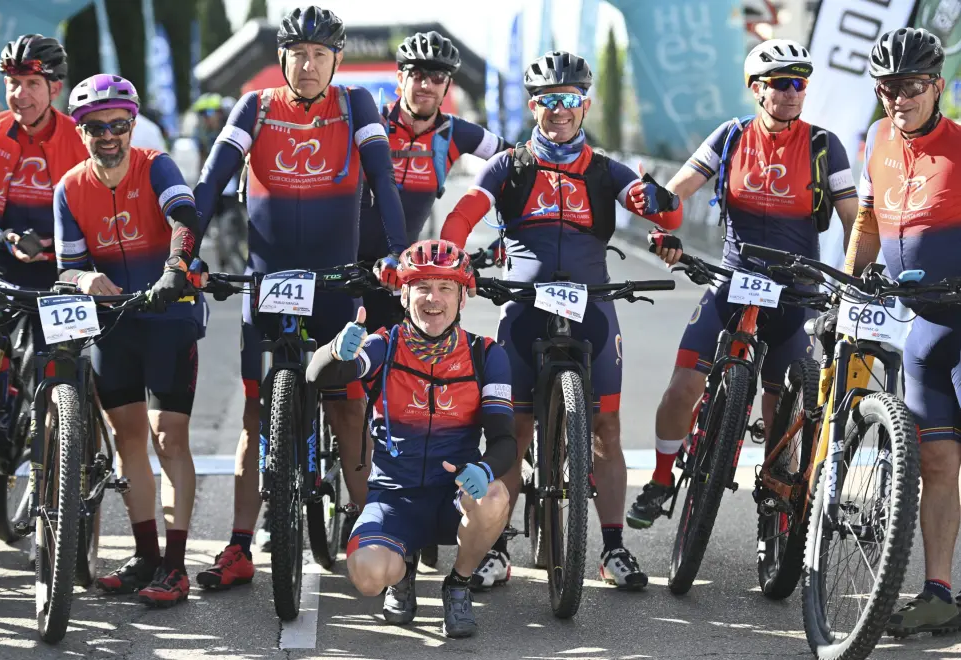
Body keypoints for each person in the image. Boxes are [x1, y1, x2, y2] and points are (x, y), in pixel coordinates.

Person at [441, 50, 683, 591]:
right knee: (514, 429)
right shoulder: (509, 165)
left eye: (569, 100)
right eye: (548, 101)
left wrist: (656, 202)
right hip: (524, 307)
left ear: (584, 104)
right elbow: (467, 210)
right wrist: (451, 256)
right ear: (533, 106)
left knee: (607, 428)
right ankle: (497, 546)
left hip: (592, 306)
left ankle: (614, 547)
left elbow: (661, 208)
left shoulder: (604, 169)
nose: (558, 110)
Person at [191, 5, 408, 590]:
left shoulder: (354, 104)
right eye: (297, 54)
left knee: (346, 406)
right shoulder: (256, 107)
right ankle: (239, 546)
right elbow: (210, 183)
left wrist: (396, 252)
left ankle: (371, 534)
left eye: (319, 55)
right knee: (255, 416)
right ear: (281, 58)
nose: (307, 65)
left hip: (336, 282)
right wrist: (182, 253)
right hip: (268, 281)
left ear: (336, 59)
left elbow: (384, 180)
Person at [625, 39, 859, 533]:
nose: (794, 93)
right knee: (680, 390)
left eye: (800, 83)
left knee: (781, 409)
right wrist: (661, 216)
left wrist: (858, 273)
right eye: (781, 83)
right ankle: (663, 478)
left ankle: (777, 494)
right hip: (734, 280)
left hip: (795, 290)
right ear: (757, 89)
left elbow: (853, 216)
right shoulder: (731, 137)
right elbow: (680, 188)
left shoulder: (823, 145)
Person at [306, 239, 513, 638]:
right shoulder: (385, 344)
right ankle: (402, 572)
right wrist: (335, 351)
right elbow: (318, 376)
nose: (433, 299)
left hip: (453, 494)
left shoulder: (486, 354)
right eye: (422, 287)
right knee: (366, 577)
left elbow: (505, 439)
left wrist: (484, 468)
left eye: (445, 288)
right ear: (404, 294)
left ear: (461, 299)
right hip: (392, 498)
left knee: (494, 497)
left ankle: (458, 584)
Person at [53, 74, 205, 608]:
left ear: (132, 124)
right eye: (96, 127)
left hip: (168, 314)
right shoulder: (69, 188)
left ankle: (177, 565)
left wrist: (174, 267)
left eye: (119, 124)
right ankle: (145, 554)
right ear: (81, 131)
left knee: (169, 437)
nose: (109, 135)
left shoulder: (155, 164)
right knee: (128, 441)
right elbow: (67, 268)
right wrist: (84, 280)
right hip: (113, 322)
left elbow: (185, 218)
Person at [842, 27, 961, 638]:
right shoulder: (879, 139)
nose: (898, 98)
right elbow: (866, 218)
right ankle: (939, 592)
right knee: (938, 461)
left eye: (912, 86)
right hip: (924, 332)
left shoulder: (960, 146)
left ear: (936, 86)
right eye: (887, 87)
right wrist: (848, 277)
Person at [358, 30, 507, 334]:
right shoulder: (371, 123)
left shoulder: (456, 133)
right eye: (418, 75)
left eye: (438, 77)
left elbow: (520, 165)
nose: (427, 85)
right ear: (401, 79)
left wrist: (510, 235)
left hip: (404, 272)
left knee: (398, 366)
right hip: (347, 263)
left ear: (448, 85)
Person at [0, 34, 88, 291]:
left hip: (64, 266)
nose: (20, 95)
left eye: (33, 83)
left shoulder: (82, 138)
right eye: (13, 83)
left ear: (55, 89)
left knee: (71, 333)